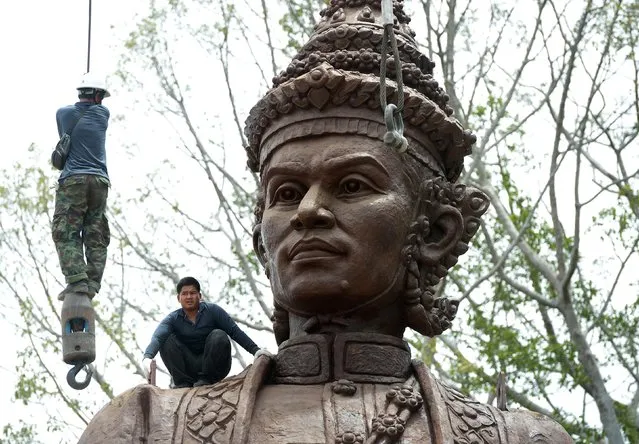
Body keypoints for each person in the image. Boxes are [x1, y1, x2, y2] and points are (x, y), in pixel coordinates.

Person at [78, 2, 573, 442]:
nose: (308, 211)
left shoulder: (519, 438)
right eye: (286, 193)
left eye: (354, 185)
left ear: (436, 233)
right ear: (260, 239)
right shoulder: (147, 428)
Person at [141, 276, 269, 388]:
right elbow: (157, 338)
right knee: (166, 339)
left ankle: (207, 380)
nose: (189, 296)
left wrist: (256, 350)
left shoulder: (213, 311)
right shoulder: (172, 319)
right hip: (189, 366)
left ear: (200, 296)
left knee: (219, 335)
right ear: (178, 298)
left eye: (193, 293)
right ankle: (182, 383)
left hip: (214, 367)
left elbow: (235, 331)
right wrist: (147, 357)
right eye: (184, 294)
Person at [52, 73, 111, 301]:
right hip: (99, 183)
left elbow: (65, 130)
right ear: (97, 95)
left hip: (73, 181)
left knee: (66, 231)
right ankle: (93, 282)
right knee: (95, 232)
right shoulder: (103, 115)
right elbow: (95, 109)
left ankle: (77, 280)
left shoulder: (64, 114)